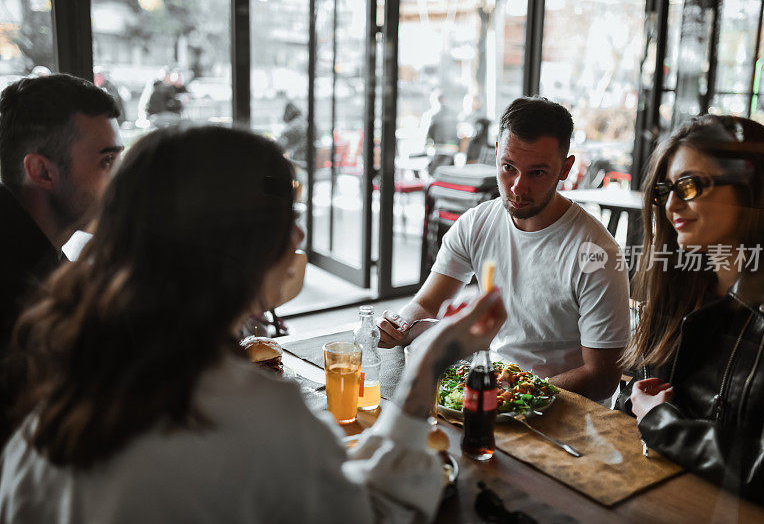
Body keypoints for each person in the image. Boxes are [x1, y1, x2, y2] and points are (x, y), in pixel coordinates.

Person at [0, 126, 507, 522]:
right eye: (286, 218)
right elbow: (371, 515)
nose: (299, 232)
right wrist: (427, 370)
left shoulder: (54, 400)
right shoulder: (260, 417)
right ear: (240, 250)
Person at [378, 97, 630, 401]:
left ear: (565, 169)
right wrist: (399, 325)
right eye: (508, 167)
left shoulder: (597, 255)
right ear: (496, 154)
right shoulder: (476, 224)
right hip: (490, 385)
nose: (517, 187)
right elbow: (428, 305)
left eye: (537, 173)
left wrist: (515, 395)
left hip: (564, 412)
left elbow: (602, 377)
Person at [617, 115, 764, 513]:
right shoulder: (681, 278)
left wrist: (661, 423)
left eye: (690, 185)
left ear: (754, 189)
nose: (670, 205)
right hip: (649, 496)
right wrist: (633, 400)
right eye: (666, 189)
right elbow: (636, 392)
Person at [0, 74, 123, 444]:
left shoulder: (39, 255)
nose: (120, 180)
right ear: (41, 171)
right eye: (106, 162)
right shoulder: (20, 291)